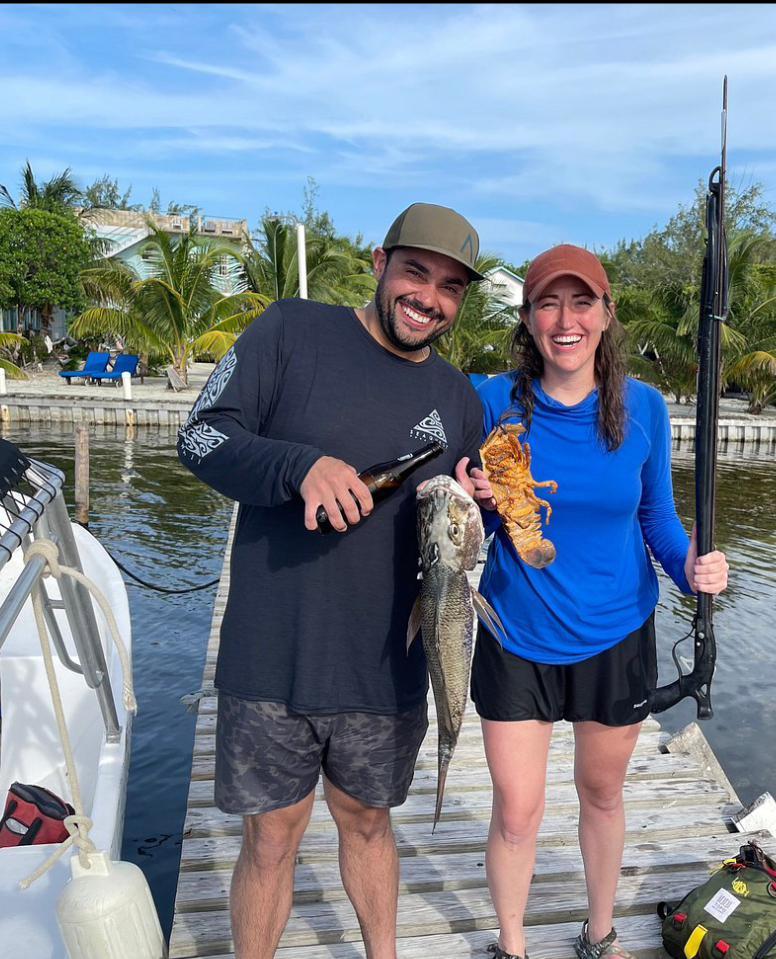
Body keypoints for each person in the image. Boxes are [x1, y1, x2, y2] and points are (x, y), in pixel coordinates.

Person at [176, 202, 490, 959]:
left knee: (368, 822)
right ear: (380, 263)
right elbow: (200, 434)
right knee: (272, 837)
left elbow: (468, 530)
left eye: (450, 286)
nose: (430, 298)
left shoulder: (459, 400)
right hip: (272, 652)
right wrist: (299, 465)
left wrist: (480, 513)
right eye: (416, 272)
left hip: (386, 662)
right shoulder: (290, 330)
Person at [470, 244, 729, 959]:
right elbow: (476, 515)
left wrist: (692, 565)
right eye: (548, 302)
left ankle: (599, 930)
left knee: (601, 793)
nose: (565, 319)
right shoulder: (492, 399)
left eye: (581, 302)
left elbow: (659, 520)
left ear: (606, 315)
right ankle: (513, 944)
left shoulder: (642, 408)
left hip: (616, 630)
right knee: (517, 809)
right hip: (514, 628)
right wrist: (476, 498)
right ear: (526, 318)